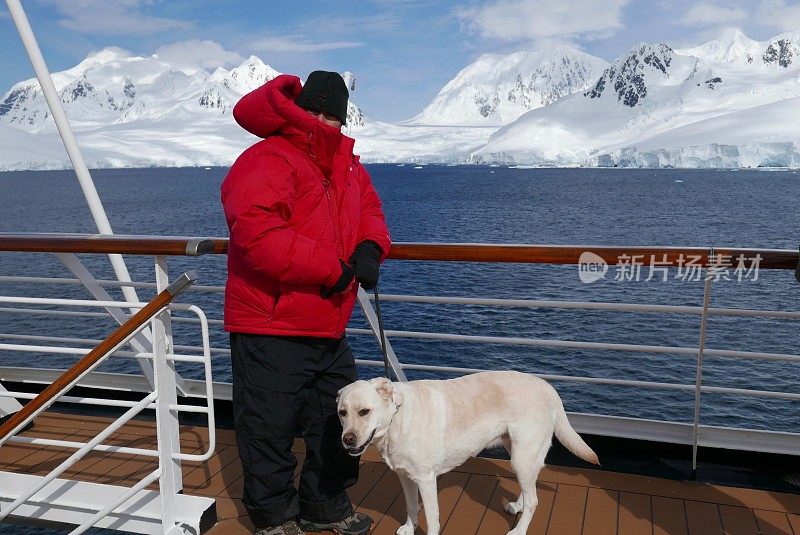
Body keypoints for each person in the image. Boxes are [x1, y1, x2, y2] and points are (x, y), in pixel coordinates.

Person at [221, 71, 391, 535]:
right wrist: (332, 268)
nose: (321, 120)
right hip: (270, 321)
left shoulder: (349, 165)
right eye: (313, 110)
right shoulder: (266, 159)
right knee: (268, 429)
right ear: (297, 110)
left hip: (327, 324)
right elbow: (256, 234)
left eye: (330, 114)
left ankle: (323, 506)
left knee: (335, 424)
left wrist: (371, 248)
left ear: (341, 117)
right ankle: (274, 518)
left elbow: (370, 212)